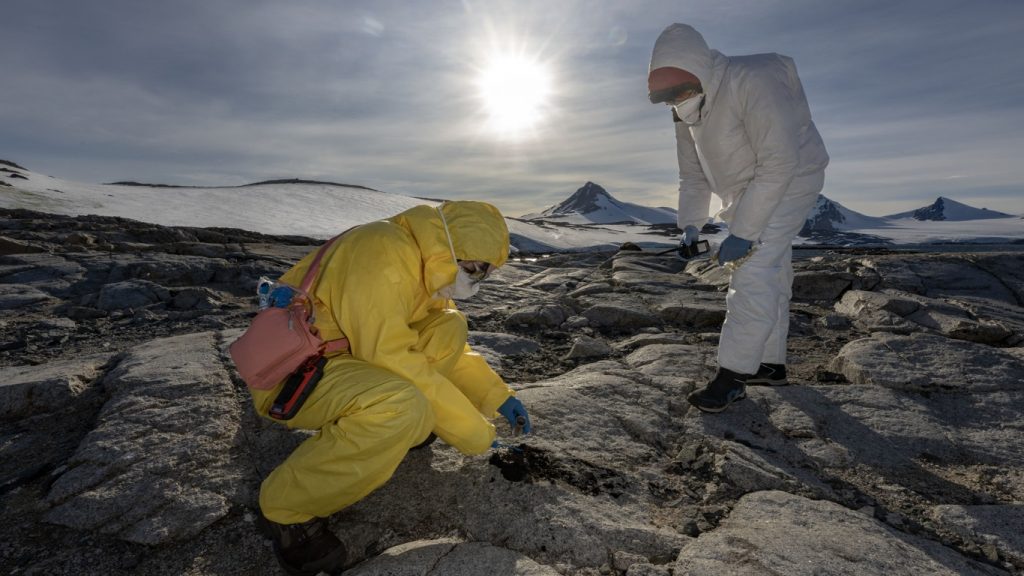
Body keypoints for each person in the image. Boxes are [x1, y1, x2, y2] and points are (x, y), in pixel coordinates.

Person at [249, 201, 531, 575]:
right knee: (400, 404)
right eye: (476, 268)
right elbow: (393, 357)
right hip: (295, 374)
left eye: (485, 272)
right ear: (451, 246)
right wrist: (478, 434)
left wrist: (498, 397)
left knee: (449, 326)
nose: (477, 280)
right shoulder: (381, 253)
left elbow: (451, 350)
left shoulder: (424, 263)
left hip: (348, 358)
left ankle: (399, 429)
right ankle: (286, 510)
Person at [648, 24, 829, 413]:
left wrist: (745, 233)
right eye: (667, 98)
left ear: (697, 70)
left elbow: (780, 161)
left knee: (752, 269)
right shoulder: (684, 111)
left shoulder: (752, 79)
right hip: (746, 186)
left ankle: (732, 376)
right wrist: (691, 226)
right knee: (772, 267)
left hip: (792, 177)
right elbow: (693, 174)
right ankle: (769, 364)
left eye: (681, 90)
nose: (677, 101)